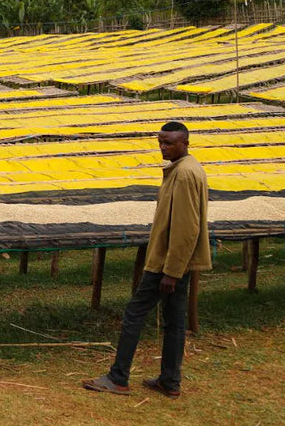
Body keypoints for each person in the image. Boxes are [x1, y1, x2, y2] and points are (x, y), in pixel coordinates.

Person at [83, 121, 211, 399]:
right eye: (160, 142)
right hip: (178, 261)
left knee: (134, 313)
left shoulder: (185, 175)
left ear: (185, 143)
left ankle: (118, 378)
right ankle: (170, 381)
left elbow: (186, 228)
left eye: (169, 143)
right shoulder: (184, 169)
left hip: (169, 263)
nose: (163, 147)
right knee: (174, 321)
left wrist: (172, 272)